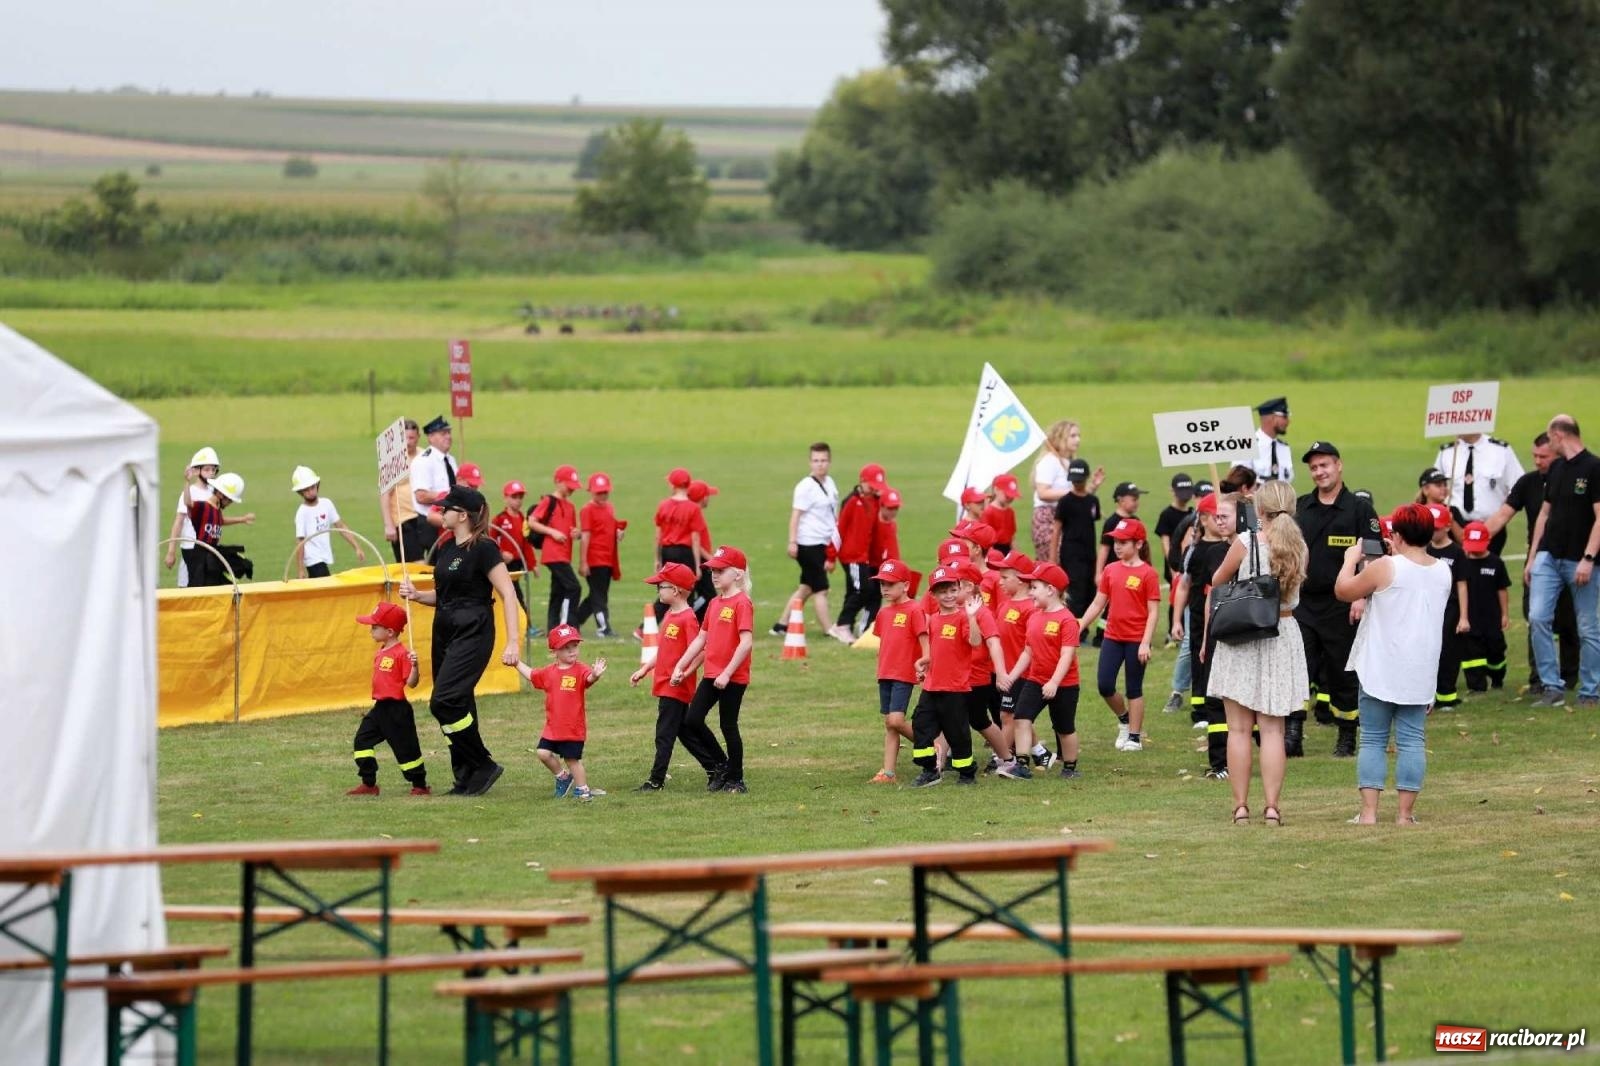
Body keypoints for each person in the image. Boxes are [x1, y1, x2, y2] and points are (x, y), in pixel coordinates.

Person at [398, 484, 520, 797]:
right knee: (460, 703)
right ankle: (466, 776)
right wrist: (417, 595)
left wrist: (513, 642)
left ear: (462, 515)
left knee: (444, 701)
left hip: (473, 630)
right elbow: (448, 595)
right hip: (445, 630)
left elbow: (506, 593)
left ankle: (482, 763)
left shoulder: (484, 548)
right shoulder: (447, 547)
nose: (439, 511)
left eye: (445, 508)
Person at [1336, 503, 1452, 826]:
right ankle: (1405, 814)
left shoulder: (1386, 566)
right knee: (1412, 740)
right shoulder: (1443, 570)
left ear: (1397, 535)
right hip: (1420, 668)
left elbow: (1343, 590)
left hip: (1381, 666)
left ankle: (1369, 813)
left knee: (1373, 738)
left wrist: (1350, 561)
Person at [1204, 480, 1309, 826]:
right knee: (1273, 730)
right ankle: (1273, 807)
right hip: (1282, 633)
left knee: (1237, 729)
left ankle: (1240, 806)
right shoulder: (1298, 547)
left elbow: (1218, 579)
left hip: (1243, 635)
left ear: (1258, 510)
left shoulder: (1245, 542)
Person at [1294, 441, 1381, 758]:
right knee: (1299, 669)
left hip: (1342, 606)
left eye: (1324, 465)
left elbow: (1372, 555)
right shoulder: (1301, 507)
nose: (1319, 472)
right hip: (1303, 605)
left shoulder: (1360, 509)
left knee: (1343, 672)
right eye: (1314, 467)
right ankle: (1293, 733)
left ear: (1339, 465)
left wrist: (1361, 595)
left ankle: (1346, 737)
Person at [1485, 433, 1578, 691]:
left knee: (1570, 620)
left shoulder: (1577, 479)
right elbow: (1503, 515)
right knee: (1536, 619)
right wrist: (1475, 537)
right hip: (1538, 561)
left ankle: (1570, 676)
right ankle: (1538, 679)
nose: (1537, 462)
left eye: (1543, 457)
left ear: (1558, 455)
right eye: (1535, 456)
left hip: (1571, 557)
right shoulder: (1527, 483)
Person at [1525, 414, 1600, 707]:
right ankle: (1551, 686)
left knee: (1587, 626)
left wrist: (1589, 558)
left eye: (1549, 437)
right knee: (1538, 618)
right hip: (1548, 557)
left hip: (1581, 561)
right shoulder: (1556, 469)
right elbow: (1545, 513)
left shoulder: (1594, 468)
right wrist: (1533, 558)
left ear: (1559, 435)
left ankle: (1591, 690)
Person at [630, 563, 722, 792]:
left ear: (676, 591)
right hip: (665, 684)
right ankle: (714, 769)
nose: (658, 591)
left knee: (664, 734)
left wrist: (683, 674)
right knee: (684, 732)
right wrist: (645, 669)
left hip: (675, 687)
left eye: (661, 587)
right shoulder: (671, 614)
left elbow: (700, 650)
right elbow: (664, 650)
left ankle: (656, 780)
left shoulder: (687, 619)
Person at [672, 546, 756, 793]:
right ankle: (721, 764)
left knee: (728, 726)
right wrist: (681, 665)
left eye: (721, 570)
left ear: (738, 575)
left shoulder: (742, 603)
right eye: (712, 571)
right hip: (712, 674)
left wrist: (728, 673)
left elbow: (746, 642)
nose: (714, 575)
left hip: (733, 676)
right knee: (692, 720)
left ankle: (736, 779)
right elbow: (701, 639)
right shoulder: (714, 603)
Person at [1078, 518, 1161, 752]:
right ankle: (1124, 719)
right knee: (1105, 685)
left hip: (1136, 640)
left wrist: (1146, 643)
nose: (1117, 546)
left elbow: (1153, 612)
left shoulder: (1148, 574)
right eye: (1115, 541)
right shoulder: (1110, 570)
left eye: (1123, 542)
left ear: (1138, 543)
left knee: (1134, 688)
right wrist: (1081, 624)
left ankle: (1134, 737)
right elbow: (1098, 603)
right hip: (1112, 637)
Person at [1172, 491, 1237, 776]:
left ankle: (1243, 748)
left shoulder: (1244, 549)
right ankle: (1219, 759)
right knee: (1211, 690)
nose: (1218, 521)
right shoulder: (1202, 551)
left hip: (1237, 627)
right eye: (1215, 517)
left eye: (1224, 516)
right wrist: (1184, 623)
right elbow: (1196, 589)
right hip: (1209, 627)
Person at [1001, 562, 1083, 779]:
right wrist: (1011, 676)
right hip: (1036, 680)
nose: (1030, 592)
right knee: (1021, 717)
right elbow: (1027, 652)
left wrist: (1055, 682)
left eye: (1034, 587)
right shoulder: (1034, 616)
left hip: (1064, 684)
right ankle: (1022, 765)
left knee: (1064, 728)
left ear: (1051, 590)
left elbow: (1067, 655)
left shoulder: (1067, 620)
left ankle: (1070, 768)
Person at [909, 563, 987, 788]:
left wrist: (972, 618)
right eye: (943, 591)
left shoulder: (963, 617)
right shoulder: (932, 620)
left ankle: (966, 773)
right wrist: (924, 664)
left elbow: (975, 642)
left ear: (959, 589)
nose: (949, 595)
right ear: (933, 594)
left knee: (957, 733)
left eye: (953, 590)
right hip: (932, 686)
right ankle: (929, 769)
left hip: (955, 688)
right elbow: (936, 650)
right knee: (921, 724)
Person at [514, 625, 608, 801]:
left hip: (572, 728)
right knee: (543, 753)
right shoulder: (549, 672)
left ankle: (582, 789)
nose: (572, 651)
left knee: (572, 760)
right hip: (552, 728)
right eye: (566, 647)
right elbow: (532, 675)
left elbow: (589, 679)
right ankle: (563, 777)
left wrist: (595, 674)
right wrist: (516, 663)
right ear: (555, 651)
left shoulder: (580, 670)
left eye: (575, 646)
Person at [346, 602, 428, 797]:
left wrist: (415, 667)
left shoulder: (403, 654)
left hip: (397, 710)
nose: (370, 631)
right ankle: (369, 784)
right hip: (380, 708)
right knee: (362, 741)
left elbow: (412, 683)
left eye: (374, 627)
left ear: (390, 631)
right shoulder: (381, 651)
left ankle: (420, 785)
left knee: (406, 749)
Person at [867, 559, 927, 783]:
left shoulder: (914, 610)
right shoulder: (883, 613)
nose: (885, 588)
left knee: (895, 721)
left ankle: (929, 746)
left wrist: (925, 662)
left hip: (903, 673)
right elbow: (884, 643)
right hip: (885, 673)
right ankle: (889, 772)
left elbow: (924, 640)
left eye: (890, 584)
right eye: (882, 584)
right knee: (889, 724)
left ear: (905, 585)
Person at [773, 443, 839, 637]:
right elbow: (796, 516)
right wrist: (792, 542)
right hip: (808, 543)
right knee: (821, 589)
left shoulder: (830, 483)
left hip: (823, 542)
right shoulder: (805, 487)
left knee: (807, 587)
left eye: (824, 460)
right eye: (816, 461)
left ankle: (781, 624)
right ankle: (829, 629)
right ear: (810, 462)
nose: (820, 465)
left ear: (829, 461)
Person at [1434, 432, 1525, 556]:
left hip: (1491, 528)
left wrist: (1501, 516)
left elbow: (1519, 487)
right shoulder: (1447, 452)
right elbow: (1435, 489)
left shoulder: (1500, 450)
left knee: (1485, 571)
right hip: (1454, 527)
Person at [1031, 419, 1106, 562]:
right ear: (1061, 437)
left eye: (1078, 435)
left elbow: (1076, 496)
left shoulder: (1068, 462)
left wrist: (1092, 487)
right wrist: (1071, 494)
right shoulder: (1049, 461)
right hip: (1048, 518)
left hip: (1066, 516)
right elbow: (1043, 493)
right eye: (1072, 436)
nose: (1077, 440)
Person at [833, 463, 887, 642]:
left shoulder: (875, 501)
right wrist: (831, 556)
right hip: (852, 556)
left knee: (856, 590)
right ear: (862, 482)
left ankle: (858, 627)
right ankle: (842, 624)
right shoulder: (852, 501)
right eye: (871, 485)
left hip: (865, 556)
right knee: (862, 589)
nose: (874, 490)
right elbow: (839, 529)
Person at [1424, 504, 1469, 711]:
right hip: (1427, 609)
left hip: (1450, 611)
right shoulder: (1425, 550)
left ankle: (1447, 695)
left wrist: (1464, 617)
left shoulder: (1457, 553)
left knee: (1448, 652)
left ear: (1448, 526)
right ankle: (1427, 694)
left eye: (1438, 528)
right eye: (1430, 528)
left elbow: (1462, 585)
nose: (1434, 532)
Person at [528, 465, 582, 632]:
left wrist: (576, 533)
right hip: (553, 554)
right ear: (558, 482)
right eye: (569, 486)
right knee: (574, 587)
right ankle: (567, 626)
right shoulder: (548, 501)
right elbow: (532, 521)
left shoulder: (570, 506)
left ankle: (552, 627)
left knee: (557, 592)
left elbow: (572, 529)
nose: (572, 490)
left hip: (564, 554)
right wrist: (552, 532)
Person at [1459, 521, 1511, 692]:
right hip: (1470, 618)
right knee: (1471, 653)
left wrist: (1504, 614)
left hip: (1492, 618)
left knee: (1496, 651)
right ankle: (1476, 685)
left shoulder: (1496, 563)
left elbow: (1502, 590)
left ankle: (1497, 677)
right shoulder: (1462, 563)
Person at [653, 469, 708, 626]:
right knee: (685, 592)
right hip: (685, 553)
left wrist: (657, 558)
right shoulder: (693, 508)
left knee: (666, 589)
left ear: (672, 485)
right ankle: (679, 626)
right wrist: (697, 564)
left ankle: (651, 624)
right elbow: (695, 538)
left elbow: (658, 536)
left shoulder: (663, 505)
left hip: (667, 551)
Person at [291, 465, 365, 579]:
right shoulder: (302, 513)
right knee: (325, 582)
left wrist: (356, 547)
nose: (311, 492)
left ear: (317, 485)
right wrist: (300, 569)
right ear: (301, 492)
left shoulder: (327, 504)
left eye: (312, 487)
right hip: (313, 559)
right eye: (306, 490)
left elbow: (340, 526)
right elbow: (300, 541)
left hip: (324, 555)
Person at [181, 472, 253, 587]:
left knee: (242, 564)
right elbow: (188, 502)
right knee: (200, 586)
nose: (229, 504)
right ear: (220, 494)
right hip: (201, 555)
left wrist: (242, 519)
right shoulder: (203, 506)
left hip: (214, 552)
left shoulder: (217, 510)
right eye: (229, 500)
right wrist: (187, 482)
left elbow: (221, 521)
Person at [1050, 459, 1102, 618]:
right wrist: (1053, 558)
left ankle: (1082, 625)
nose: (1077, 483)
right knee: (1075, 591)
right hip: (1071, 554)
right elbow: (1056, 530)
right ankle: (1074, 626)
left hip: (1089, 554)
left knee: (1089, 590)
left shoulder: (1092, 501)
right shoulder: (1065, 501)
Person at [492, 479, 542, 639]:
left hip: (517, 564)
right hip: (503, 565)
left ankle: (525, 625)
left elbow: (526, 544)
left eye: (520, 497)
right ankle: (524, 626)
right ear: (506, 498)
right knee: (513, 594)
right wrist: (500, 554)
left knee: (518, 594)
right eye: (514, 497)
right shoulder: (499, 519)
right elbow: (490, 541)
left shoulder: (523, 519)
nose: (518, 500)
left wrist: (533, 564)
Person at [575, 472, 623, 637]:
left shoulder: (609, 508)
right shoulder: (587, 510)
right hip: (595, 559)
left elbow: (609, 528)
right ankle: (603, 627)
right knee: (599, 595)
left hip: (608, 558)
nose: (603, 495)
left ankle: (574, 621)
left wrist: (618, 533)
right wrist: (583, 561)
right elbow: (585, 536)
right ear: (591, 491)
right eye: (599, 492)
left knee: (597, 594)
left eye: (605, 492)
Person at [165, 446, 220, 586]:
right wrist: (171, 551)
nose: (211, 473)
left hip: (209, 548)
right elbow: (178, 522)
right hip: (190, 547)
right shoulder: (190, 493)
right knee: (188, 586)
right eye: (207, 469)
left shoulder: (215, 494)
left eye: (213, 470)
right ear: (196, 471)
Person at [408, 415, 458, 562]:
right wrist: (448, 496)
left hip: (450, 519)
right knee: (437, 564)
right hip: (431, 522)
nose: (448, 437)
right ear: (430, 437)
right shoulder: (424, 461)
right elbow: (421, 496)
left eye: (449, 433)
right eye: (443, 433)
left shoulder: (451, 459)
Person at [1154, 473, 1196, 649]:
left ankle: (1186, 630)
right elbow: (1165, 540)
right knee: (1175, 597)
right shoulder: (1167, 514)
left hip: (1190, 564)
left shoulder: (1193, 513)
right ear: (1172, 491)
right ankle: (1172, 631)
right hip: (1175, 564)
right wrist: (1172, 566)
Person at [380, 419, 420, 564]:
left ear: (418, 437)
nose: (408, 442)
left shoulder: (424, 456)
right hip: (403, 519)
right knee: (414, 564)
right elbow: (385, 494)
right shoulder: (394, 461)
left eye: (411, 438)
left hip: (422, 517)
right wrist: (388, 525)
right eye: (404, 438)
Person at [688, 480, 718, 621]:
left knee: (706, 596)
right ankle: (689, 616)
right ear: (704, 497)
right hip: (701, 560)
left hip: (700, 560)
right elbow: (695, 541)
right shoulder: (695, 514)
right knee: (709, 596)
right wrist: (710, 559)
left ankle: (698, 623)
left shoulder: (692, 512)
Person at [1251, 398, 1294, 484]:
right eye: (1284, 417)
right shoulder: (1248, 444)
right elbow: (1239, 480)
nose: (1288, 421)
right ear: (1272, 418)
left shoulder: (1284, 448)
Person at [984, 474, 1021, 553]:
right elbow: (986, 539)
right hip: (993, 549)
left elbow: (1012, 537)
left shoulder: (1010, 512)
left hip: (1007, 549)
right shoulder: (989, 512)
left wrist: (1017, 555)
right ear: (996, 490)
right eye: (1007, 496)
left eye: (1012, 496)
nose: (1010, 499)